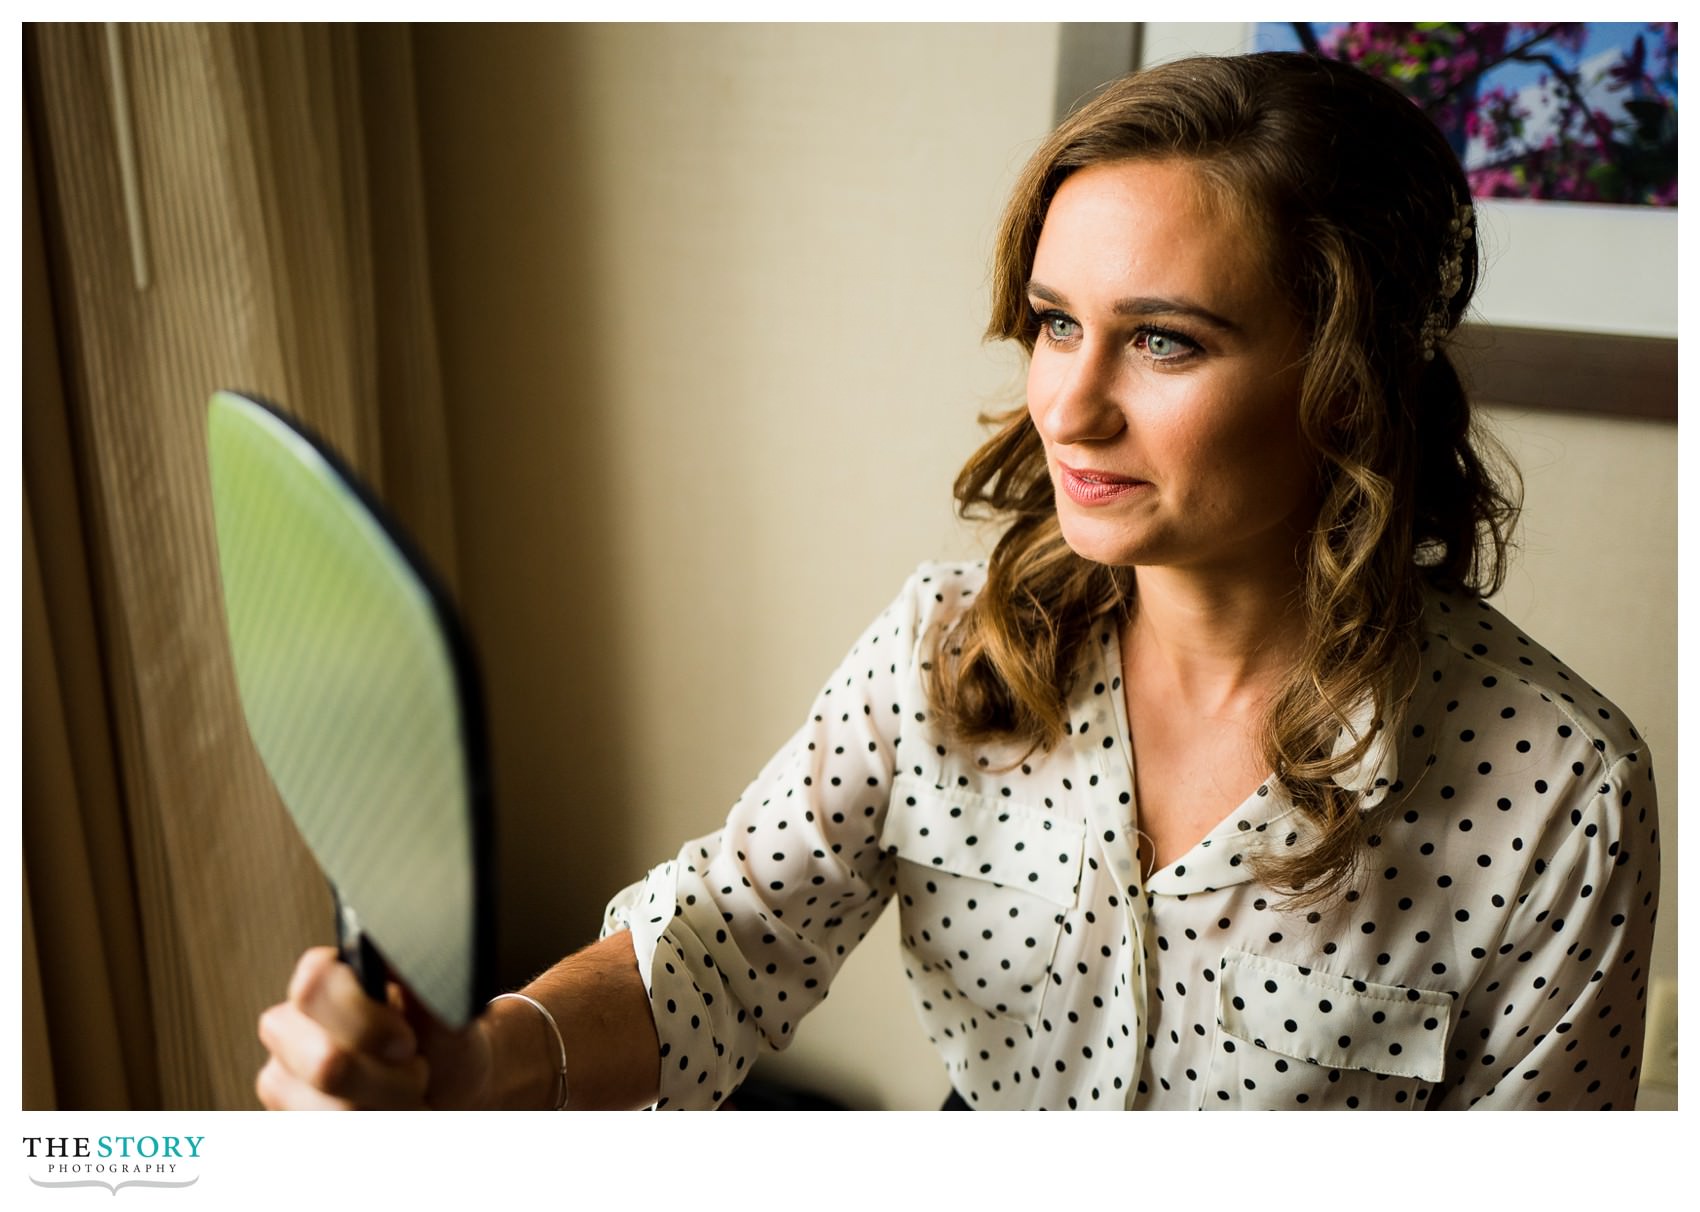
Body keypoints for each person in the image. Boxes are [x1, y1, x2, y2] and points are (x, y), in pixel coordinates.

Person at [256, 51, 1660, 1111]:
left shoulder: (1556, 793)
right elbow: (719, 948)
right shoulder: (948, 649)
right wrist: (482, 1060)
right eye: (1056, 325)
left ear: (1348, 385)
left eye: (1165, 342)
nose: (1071, 406)